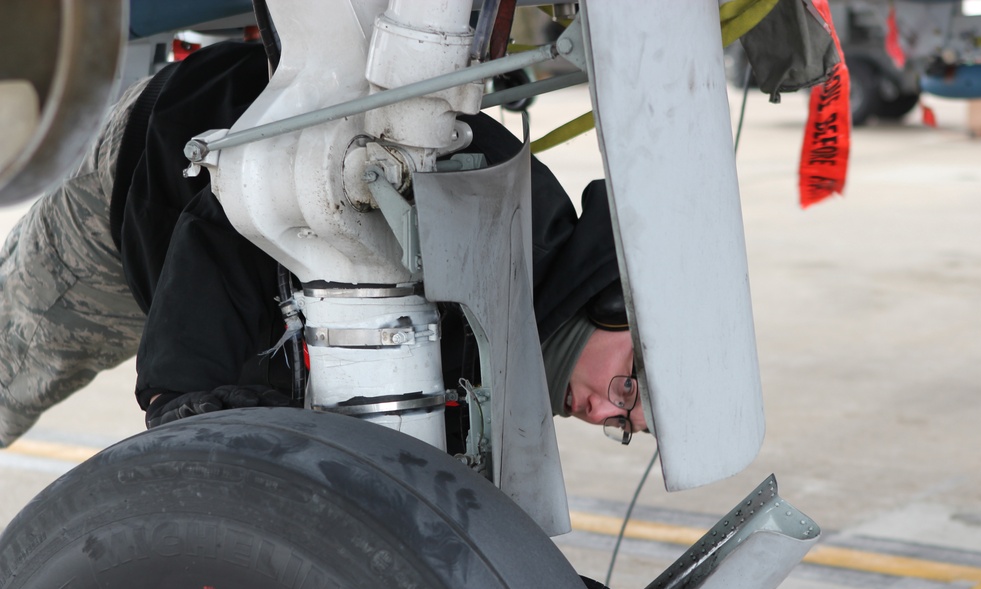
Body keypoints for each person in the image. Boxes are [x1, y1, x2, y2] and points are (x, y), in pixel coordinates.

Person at [0, 39, 646, 451]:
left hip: (214, 279)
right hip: (152, 179)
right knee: (12, 372)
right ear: (621, 302)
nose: (597, 411)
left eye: (622, 425)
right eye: (625, 390)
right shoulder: (487, 209)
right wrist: (184, 395)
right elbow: (235, 214)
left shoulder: (507, 344)